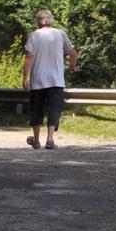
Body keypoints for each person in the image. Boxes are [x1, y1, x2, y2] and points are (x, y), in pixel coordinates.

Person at [22, 9, 77, 150]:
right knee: (55, 108)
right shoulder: (60, 34)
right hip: (56, 79)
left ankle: (36, 139)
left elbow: (28, 57)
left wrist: (26, 78)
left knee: (36, 108)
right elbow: (72, 52)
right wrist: (72, 66)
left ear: (38, 22)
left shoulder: (34, 35)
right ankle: (50, 139)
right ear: (51, 20)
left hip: (38, 80)